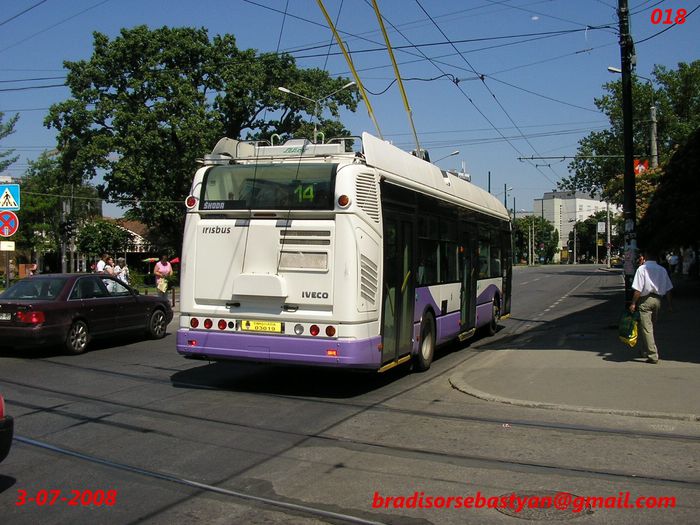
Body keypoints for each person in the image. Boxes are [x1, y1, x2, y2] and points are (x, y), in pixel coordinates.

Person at [629, 250, 673, 364]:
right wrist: (669, 305)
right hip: (658, 300)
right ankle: (645, 350)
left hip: (645, 300)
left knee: (646, 328)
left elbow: (638, 290)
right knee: (649, 326)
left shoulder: (642, 269)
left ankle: (652, 355)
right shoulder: (662, 270)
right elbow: (668, 289)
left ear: (646, 256)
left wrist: (633, 302)